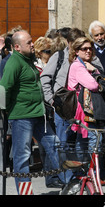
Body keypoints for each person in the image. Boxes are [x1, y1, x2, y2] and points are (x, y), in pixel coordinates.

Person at [0, 30, 65, 195]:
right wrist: (5, 111)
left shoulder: (28, 60)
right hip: (22, 117)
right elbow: (4, 88)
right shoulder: (14, 62)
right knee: (22, 157)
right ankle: (25, 193)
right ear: (17, 47)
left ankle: (70, 182)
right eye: (28, 42)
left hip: (38, 114)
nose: (32, 44)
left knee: (55, 146)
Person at [40, 28, 85, 146]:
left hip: (82, 108)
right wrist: (51, 100)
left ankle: (80, 164)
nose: (79, 47)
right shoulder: (59, 56)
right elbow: (44, 78)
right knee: (63, 143)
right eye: (76, 44)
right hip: (62, 107)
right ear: (69, 42)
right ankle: (62, 164)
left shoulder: (88, 56)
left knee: (82, 145)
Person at [67, 36, 105, 156]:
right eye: (84, 49)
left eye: (90, 48)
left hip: (86, 108)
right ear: (77, 51)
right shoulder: (78, 66)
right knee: (94, 140)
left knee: (83, 140)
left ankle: (84, 169)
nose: (88, 51)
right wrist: (95, 70)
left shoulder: (85, 65)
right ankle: (93, 170)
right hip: (85, 109)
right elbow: (93, 85)